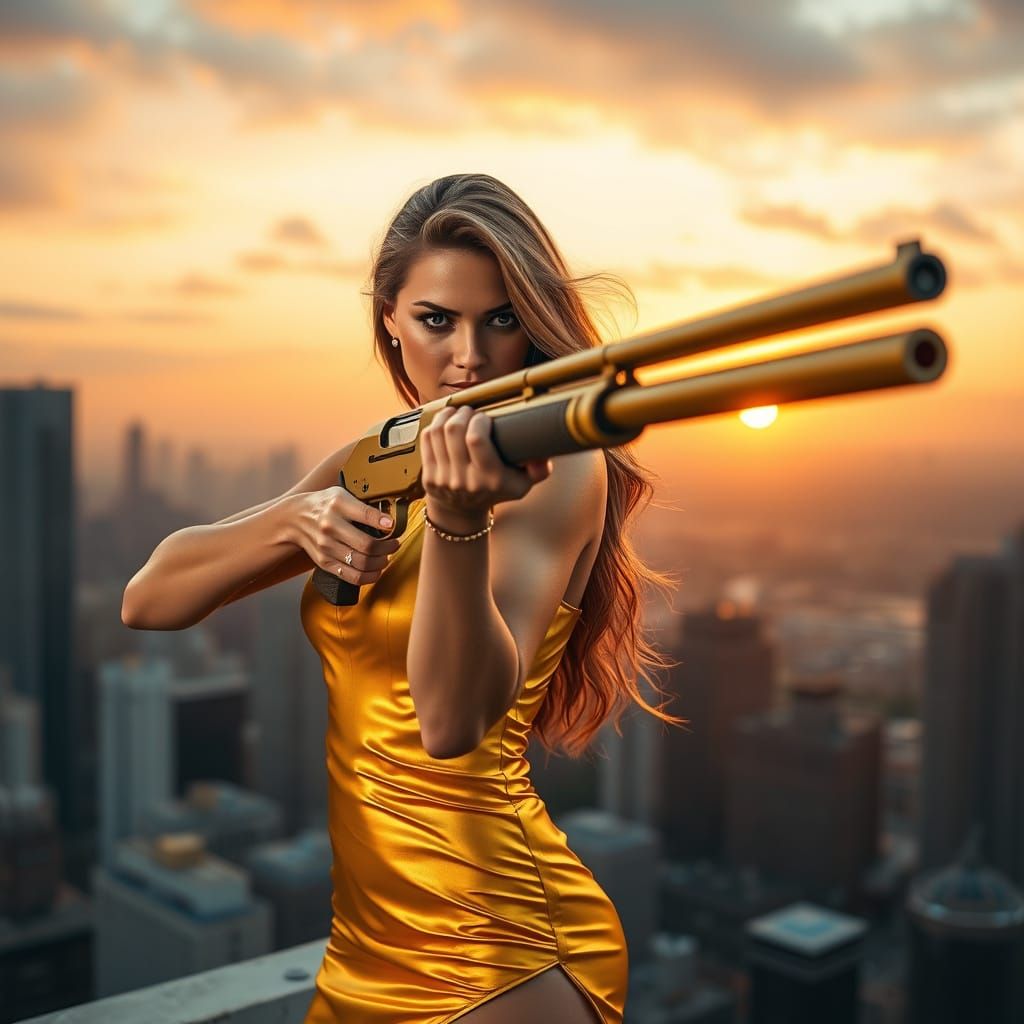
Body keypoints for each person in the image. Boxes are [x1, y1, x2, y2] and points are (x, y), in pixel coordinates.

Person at [122, 173, 687, 1024]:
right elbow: (149, 599)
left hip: (501, 949)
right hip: (364, 948)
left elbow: (450, 722)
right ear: (389, 317)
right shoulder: (383, 453)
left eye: (501, 320)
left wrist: (458, 523)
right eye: (437, 320)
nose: (469, 356)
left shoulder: (560, 468)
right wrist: (295, 521)